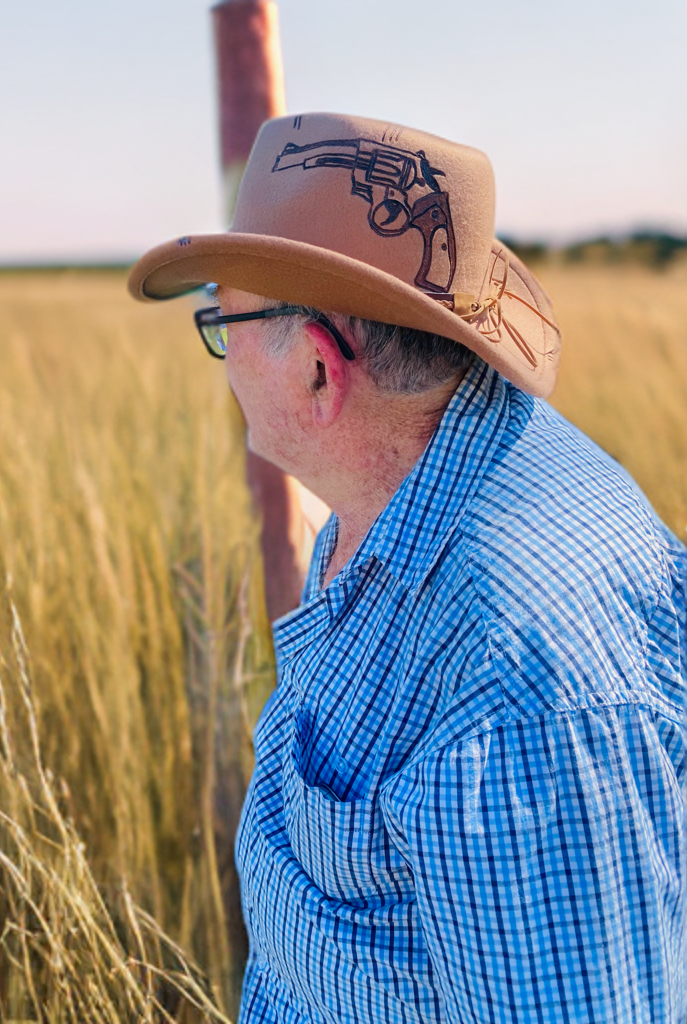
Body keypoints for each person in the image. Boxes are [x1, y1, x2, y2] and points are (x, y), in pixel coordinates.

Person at [129, 113, 686, 1024]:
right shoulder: (401, 481)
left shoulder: (515, 697)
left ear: (318, 369)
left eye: (222, 325)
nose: (222, 365)